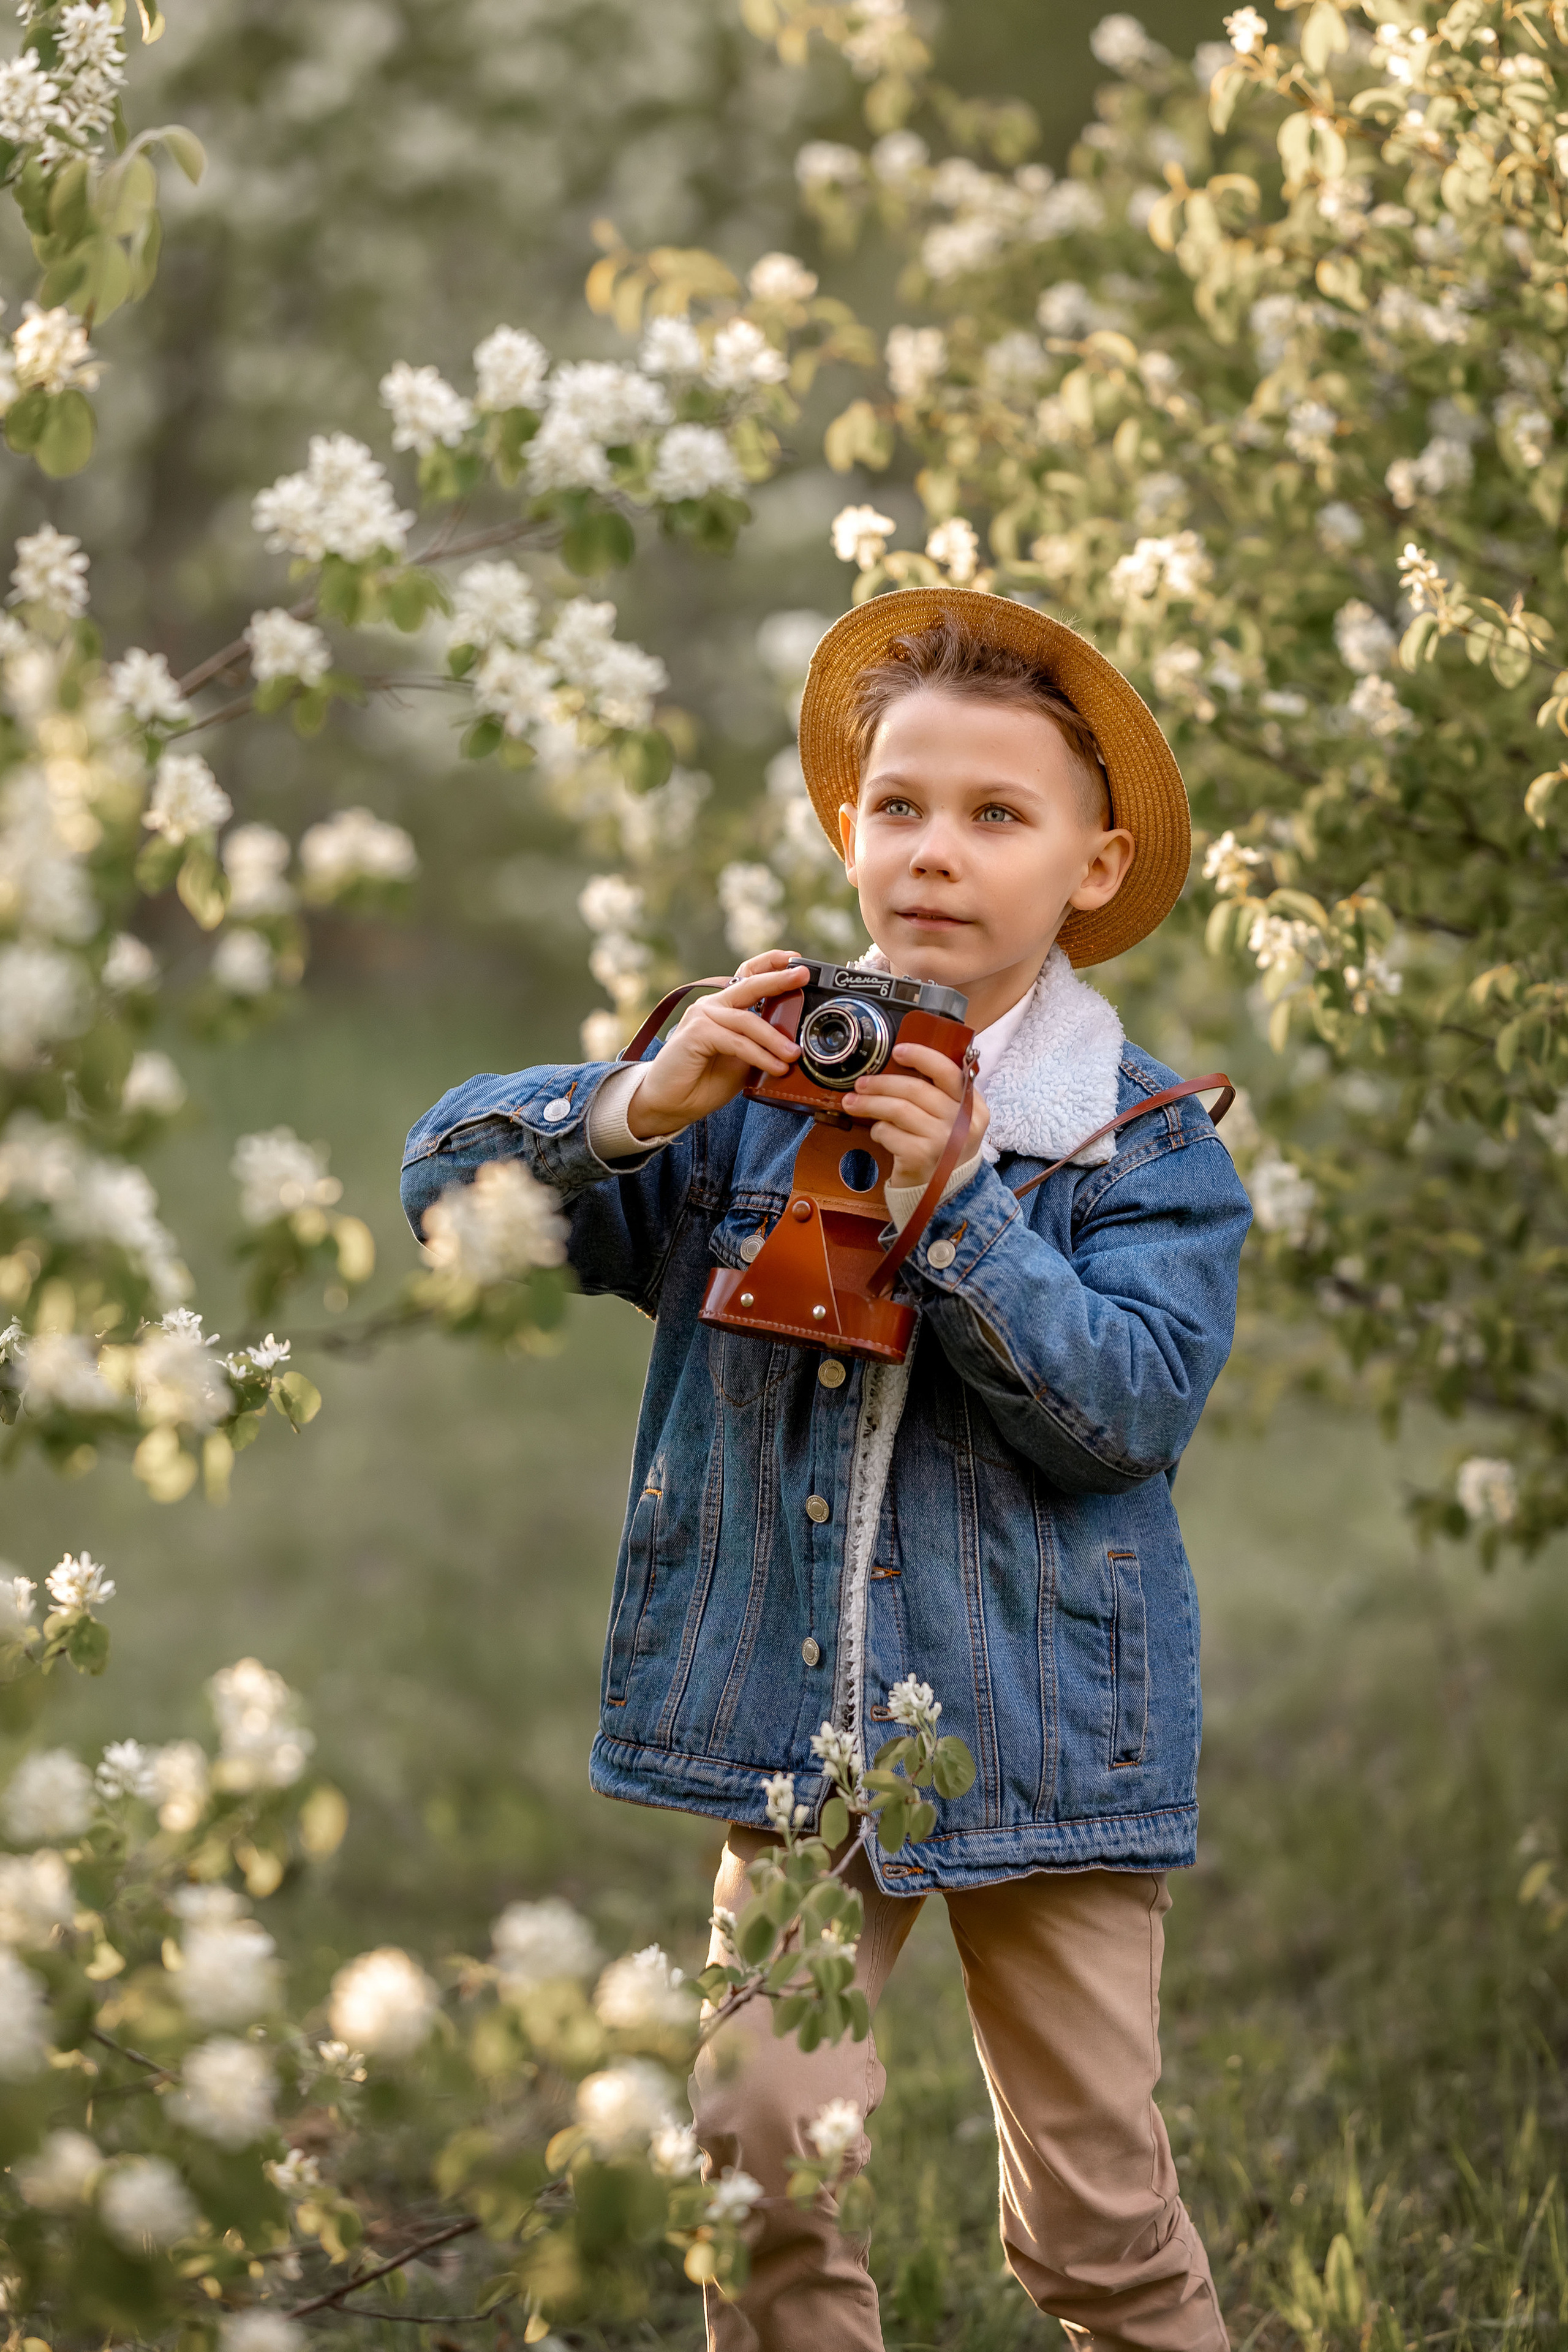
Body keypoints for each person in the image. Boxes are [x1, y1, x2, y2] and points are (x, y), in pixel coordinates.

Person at [400, 590, 1253, 2352]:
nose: (936, 853)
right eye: (901, 808)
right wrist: (643, 1100)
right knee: (759, 2162)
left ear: (1094, 867)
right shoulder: (760, 1079)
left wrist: (964, 1210)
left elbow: (1128, 1414)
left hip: (1043, 1729)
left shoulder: (1139, 1140)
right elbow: (451, 1199)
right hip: (802, 1727)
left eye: (998, 816)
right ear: (848, 828)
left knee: (1093, 2222)